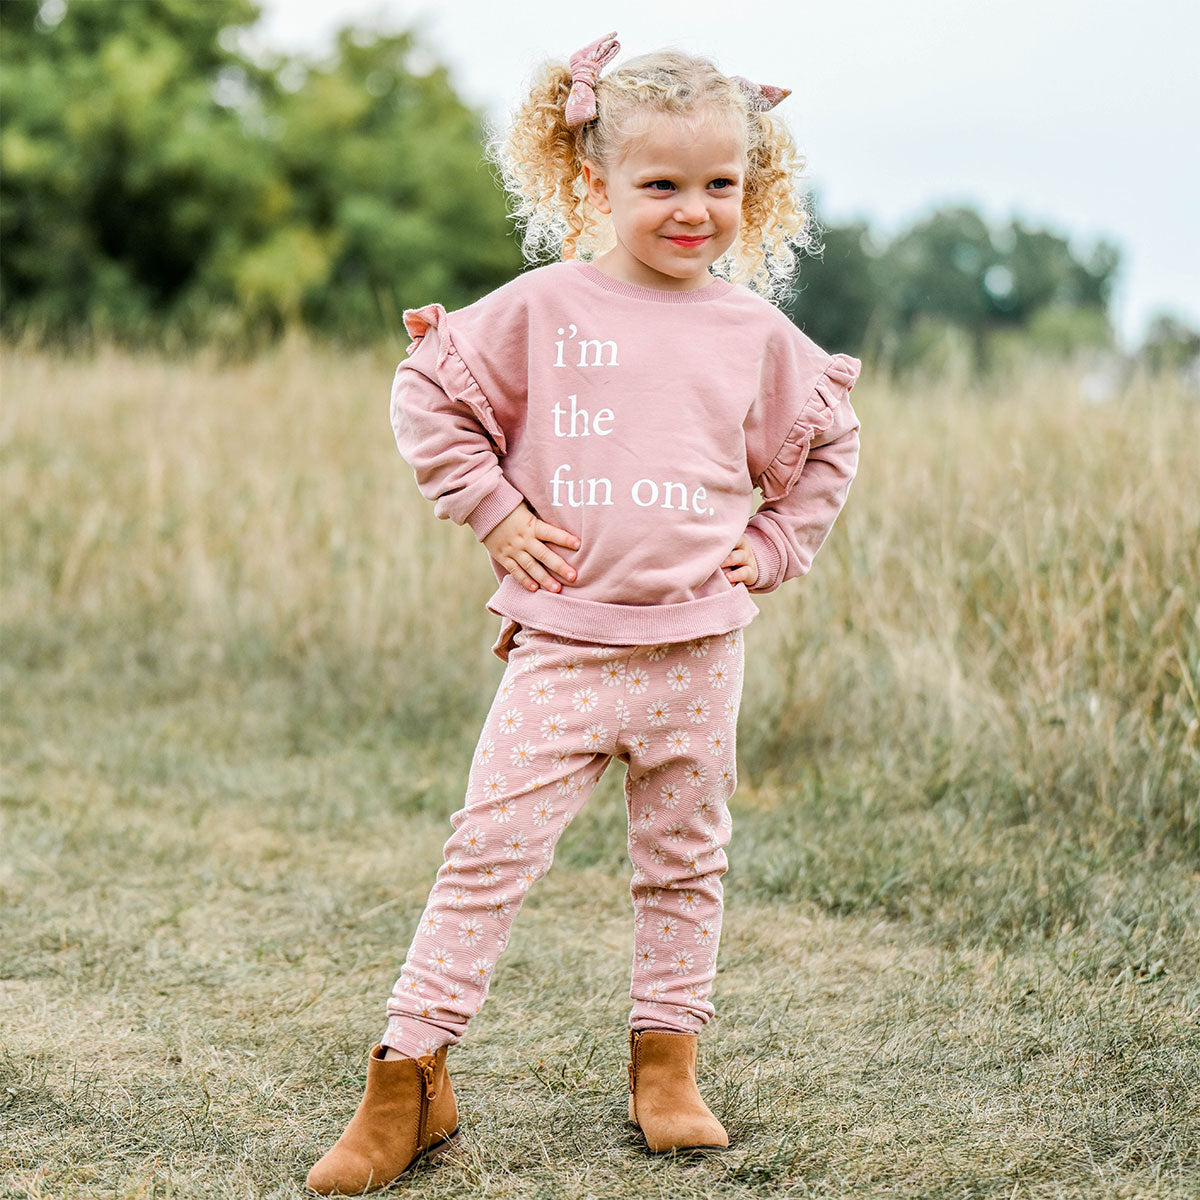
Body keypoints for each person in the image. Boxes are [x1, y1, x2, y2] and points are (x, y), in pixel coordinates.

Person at [306, 31, 861, 1195]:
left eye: (719, 185)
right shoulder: (545, 309)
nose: (692, 210)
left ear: (751, 187)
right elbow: (429, 393)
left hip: (701, 651)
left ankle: (667, 1064)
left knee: (681, 862)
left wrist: (773, 543)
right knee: (485, 857)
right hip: (564, 649)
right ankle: (409, 1075)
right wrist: (494, 511)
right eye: (660, 184)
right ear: (594, 180)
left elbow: (827, 445)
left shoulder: (756, 335)